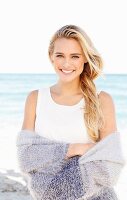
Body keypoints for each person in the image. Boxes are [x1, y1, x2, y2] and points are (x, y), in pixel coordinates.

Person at [21, 24, 117, 160]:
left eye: (75, 56)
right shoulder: (35, 98)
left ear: (85, 58)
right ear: (51, 57)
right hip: (40, 181)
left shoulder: (102, 100)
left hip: (86, 181)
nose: (66, 64)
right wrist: (75, 148)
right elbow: (25, 155)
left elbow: (110, 156)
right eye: (60, 55)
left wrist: (46, 153)